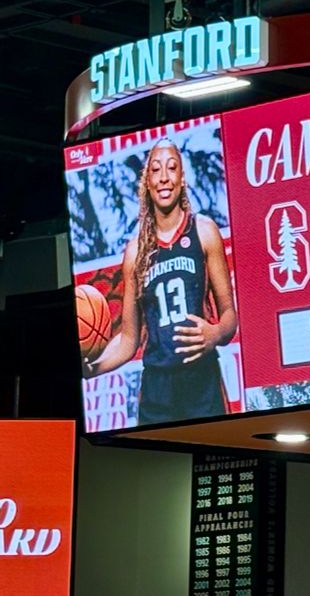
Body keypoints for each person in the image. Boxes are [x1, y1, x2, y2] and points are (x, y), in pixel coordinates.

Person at [85, 138, 237, 425]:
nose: (164, 177)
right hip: (157, 389)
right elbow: (129, 340)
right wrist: (93, 367)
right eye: (156, 170)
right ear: (147, 182)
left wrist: (215, 334)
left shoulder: (204, 231)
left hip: (201, 381)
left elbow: (229, 316)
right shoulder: (135, 251)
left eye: (172, 168)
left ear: (182, 178)